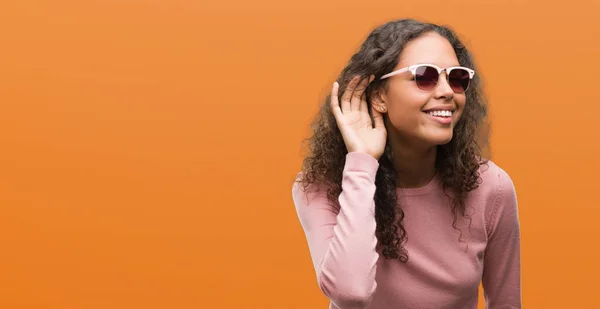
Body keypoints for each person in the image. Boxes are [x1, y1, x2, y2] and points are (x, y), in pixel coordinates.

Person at [291, 19, 521, 309]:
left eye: (457, 78)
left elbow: (506, 304)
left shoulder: (491, 188)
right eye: (424, 76)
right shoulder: (321, 186)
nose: (447, 91)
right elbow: (351, 293)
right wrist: (361, 162)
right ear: (379, 96)